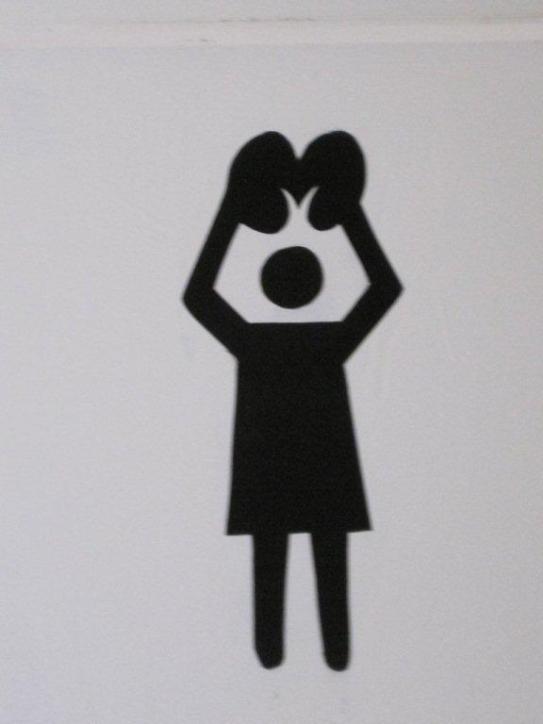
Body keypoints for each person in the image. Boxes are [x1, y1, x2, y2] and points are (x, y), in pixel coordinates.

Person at [183, 131, 402, 670]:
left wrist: (232, 208)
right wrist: (347, 211)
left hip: (267, 472)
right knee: (329, 557)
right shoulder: (330, 343)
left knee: (270, 558)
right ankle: (335, 652)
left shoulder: (252, 343)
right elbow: (383, 287)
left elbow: (200, 294)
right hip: (327, 471)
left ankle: (273, 652)